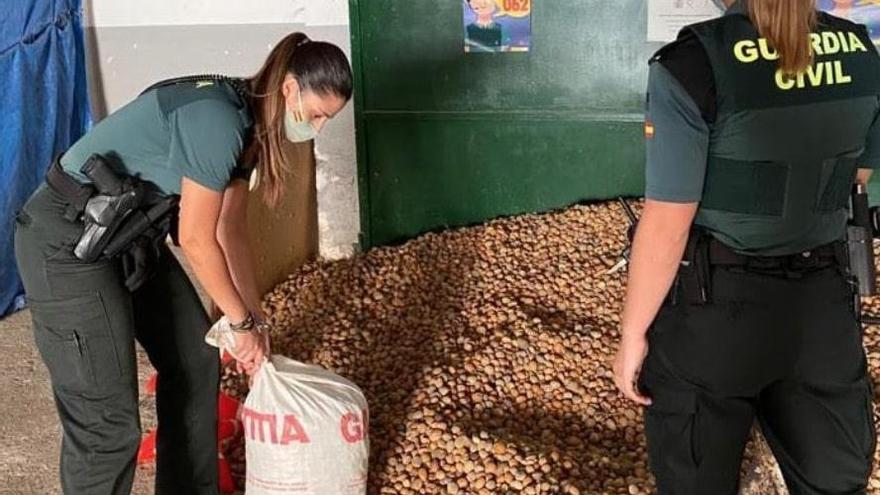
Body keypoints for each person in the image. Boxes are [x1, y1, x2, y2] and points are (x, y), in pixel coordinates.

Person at [13, 32, 352, 494]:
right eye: (316, 114)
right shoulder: (217, 118)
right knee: (108, 424)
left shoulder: (250, 129)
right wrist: (238, 321)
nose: (316, 127)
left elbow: (230, 234)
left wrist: (255, 324)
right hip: (66, 244)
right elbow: (195, 238)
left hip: (126, 238)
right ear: (289, 87)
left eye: (326, 120)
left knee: (195, 361)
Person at [613, 0, 880, 493]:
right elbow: (854, 175)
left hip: (716, 313)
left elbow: (668, 225)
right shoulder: (863, 52)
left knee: (696, 476)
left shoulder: (692, 63)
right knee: (834, 477)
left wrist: (633, 335)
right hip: (823, 305)